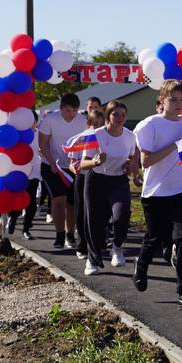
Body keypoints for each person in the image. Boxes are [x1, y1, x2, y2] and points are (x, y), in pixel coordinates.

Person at [133, 80, 182, 309]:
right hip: (156, 192)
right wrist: (174, 146)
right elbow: (146, 161)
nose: (179, 104)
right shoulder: (149, 125)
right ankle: (141, 266)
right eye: (173, 100)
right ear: (161, 101)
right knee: (154, 238)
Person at [81, 100, 139, 273]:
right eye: (115, 114)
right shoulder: (96, 135)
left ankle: (117, 246)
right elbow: (82, 163)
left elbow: (132, 157)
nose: (119, 118)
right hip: (96, 180)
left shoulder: (130, 136)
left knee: (121, 215)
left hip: (118, 181)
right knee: (94, 223)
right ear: (107, 116)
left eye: (123, 115)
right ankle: (92, 261)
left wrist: (132, 170)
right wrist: (95, 161)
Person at [38, 93, 84, 251]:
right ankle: (59, 234)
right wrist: (51, 162)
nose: (71, 114)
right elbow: (43, 143)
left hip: (73, 166)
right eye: (68, 110)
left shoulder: (83, 120)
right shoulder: (50, 119)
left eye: (74, 110)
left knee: (72, 203)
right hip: (52, 165)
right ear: (61, 108)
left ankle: (70, 234)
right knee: (59, 199)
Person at [71, 107, 106, 260]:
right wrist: (77, 169)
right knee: (82, 213)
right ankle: (81, 245)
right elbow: (73, 163)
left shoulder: (106, 138)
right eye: (94, 124)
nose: (97, 127)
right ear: (88, 124)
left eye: (100, 123)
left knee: (99, 213)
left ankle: (98, 243)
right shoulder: (81, 139)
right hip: (83, 178)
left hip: (100, 178)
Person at [7, 112, 42, 240]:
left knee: (31, 202)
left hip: (34, 170)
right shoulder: (18, 133)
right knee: (18, 199)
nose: (31, 124)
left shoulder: (39, 134)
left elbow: (43, 148)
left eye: (33, 121)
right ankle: (13, 217)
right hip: (19, 170)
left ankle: (26, 229)